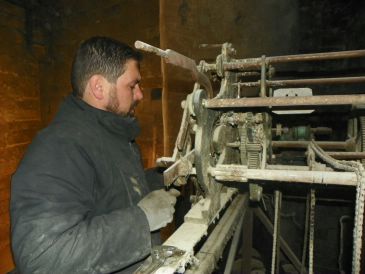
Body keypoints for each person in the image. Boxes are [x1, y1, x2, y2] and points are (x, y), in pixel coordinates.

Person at [10, 36, 179, 273]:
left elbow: (110, 191)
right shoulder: (60, 147)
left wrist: (163, 178)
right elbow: (43, 256)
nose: (140, 95)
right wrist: (142, 221)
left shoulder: (110, 134)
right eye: (132, 86)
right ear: (99, 87)